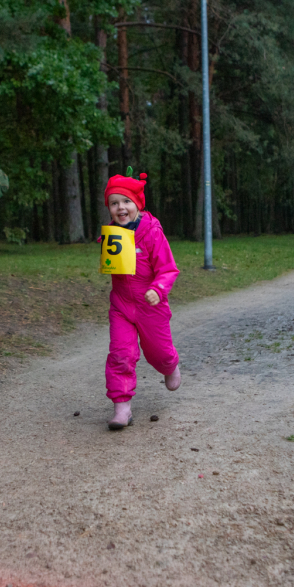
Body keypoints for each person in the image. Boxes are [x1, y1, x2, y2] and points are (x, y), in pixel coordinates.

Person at [103, 173, 181, 430]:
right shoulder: (112, 234)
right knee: (121, 354)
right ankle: (122, 408)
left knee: (158, 353)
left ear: (138, 204)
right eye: (114, 203)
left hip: (151, 305)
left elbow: (168, 269)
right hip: (122, 305)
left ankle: (170, 365)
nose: (120, 208)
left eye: (126, 201)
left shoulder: (152, 233)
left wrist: (158, 289)